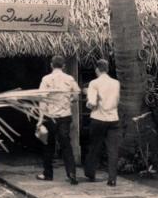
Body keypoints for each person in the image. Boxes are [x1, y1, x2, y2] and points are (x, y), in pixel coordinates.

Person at [36, 55, 80, 185]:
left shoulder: (46, 79)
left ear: (51, 65)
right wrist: (69, 101)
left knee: (48, 145)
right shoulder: (69, 79)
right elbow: (76, 95)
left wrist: (40, 119)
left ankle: (48, 174)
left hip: (50, 117)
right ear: (64, 66)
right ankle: (71, 173)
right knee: (66, 145)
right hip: (65, 116)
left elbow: (42, 100)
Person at [84, 59, 121, 187]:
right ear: (107, 69)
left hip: (98, 118)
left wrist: (87, 100)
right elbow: (117, 99)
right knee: (113, 149)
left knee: (95, 146)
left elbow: (92, 103)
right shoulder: (116, 83)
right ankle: (112, 179)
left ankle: (90, 173)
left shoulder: (94, 83)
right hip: (113, 118)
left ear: (97, 69)